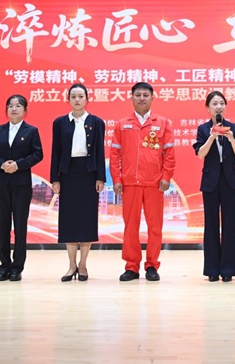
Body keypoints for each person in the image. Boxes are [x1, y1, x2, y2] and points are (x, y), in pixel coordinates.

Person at [111, 82, 175, 282]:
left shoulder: (163, 123)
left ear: (152, 98)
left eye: (145, 95)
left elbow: (169, 154)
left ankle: (152, 265)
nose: (141, 98)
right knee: (130, 227)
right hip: (130, 183)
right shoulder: (122, 124)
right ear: (131, 98)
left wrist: (166, 177)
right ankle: (131, 266)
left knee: (155, 227)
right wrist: (117, 178)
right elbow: (114, 154)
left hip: (154, 183)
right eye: (137, 95)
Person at [50, 83, 106, 282]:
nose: (77, 100)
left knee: (86, 220)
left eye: (80, 96)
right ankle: (71, 265)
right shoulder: (60, 123)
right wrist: (55, 178)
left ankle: (83, 265)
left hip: (88, 174)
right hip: (68, 173)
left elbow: (100, 151)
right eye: (73, 96)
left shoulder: (97, 122)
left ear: (87, 99)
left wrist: (100, 177)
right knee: (69, 220)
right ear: (68, 99)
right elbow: (55, 152)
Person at [0, 94, 44, 282]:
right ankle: (4, 266)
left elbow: (38, 154)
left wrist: (18, 165)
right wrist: (2, 164)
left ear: (25, 110)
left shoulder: (31, 131)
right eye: (10, 106)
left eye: (18, 106)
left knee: (20, 226)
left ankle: (17, 268)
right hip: (1, 183)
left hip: (21, 184)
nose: (14, 109)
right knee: (2, 226)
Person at [193, 91, 235, 283]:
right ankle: (212, 270)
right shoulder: (203, 128)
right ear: (208, 108)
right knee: (211, 224)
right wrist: (211, 137)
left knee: (230, 224)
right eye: (214, 104)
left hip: (230, 180)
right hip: (210, 181)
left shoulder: (234, 127)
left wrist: (230, 138)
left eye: (222, 103)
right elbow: (201, 154)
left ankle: (228, 269)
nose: (219, 107)